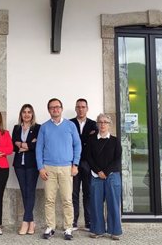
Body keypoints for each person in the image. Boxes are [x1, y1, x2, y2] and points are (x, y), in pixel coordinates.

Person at [36, 98, 81, 241]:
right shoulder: (44, 127)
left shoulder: (70, 126)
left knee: (67, 199)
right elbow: (39, 149)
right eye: (52, 107)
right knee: (49, 200)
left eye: (57, 107)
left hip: (66, 167)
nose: (55, 109)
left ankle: (68, 228)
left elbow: (77, 145)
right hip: (49, 168)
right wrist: (40, 167)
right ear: (48, 110)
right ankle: (50, 227)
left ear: (61, 109)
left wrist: (75, 164)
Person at [84, 113, 122, 240]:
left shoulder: (115, 140)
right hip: (96, 175)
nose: (103, 124)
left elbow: (117, 159)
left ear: (109, 124)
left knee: (113, 203)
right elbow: (88, 157)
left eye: (105, 122)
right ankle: (97, 229)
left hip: (112, 175)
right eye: (100, 122)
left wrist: (106, 172)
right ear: (97, 124)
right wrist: (98, 171)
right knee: (95, 203)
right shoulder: (91, 140)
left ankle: (115, 230)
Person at [12, 104, 40, 235]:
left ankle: (25, 222)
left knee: (30, 191)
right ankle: (31, 222)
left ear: (32, 114)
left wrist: (22, 145)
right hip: (19, 164)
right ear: (21, 114)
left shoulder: (37, 128)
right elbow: (13, 145)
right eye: (24, 112)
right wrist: (29, 145)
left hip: (32, 164)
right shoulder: (16, 128)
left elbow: (38, 145)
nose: (27, 114)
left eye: (29, 112)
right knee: (24, 191)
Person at [70, 98, 97, 231]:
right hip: (73, 163)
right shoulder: (69, 123)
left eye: (83, 107)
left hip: (88, 162)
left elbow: (94, 142)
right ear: (75, 109)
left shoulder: (93, 124)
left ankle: (89, 222)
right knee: (73, 192)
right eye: (78, 107)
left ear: (87, 108)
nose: (81, 109)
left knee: (88, 193)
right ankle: (73, 221)